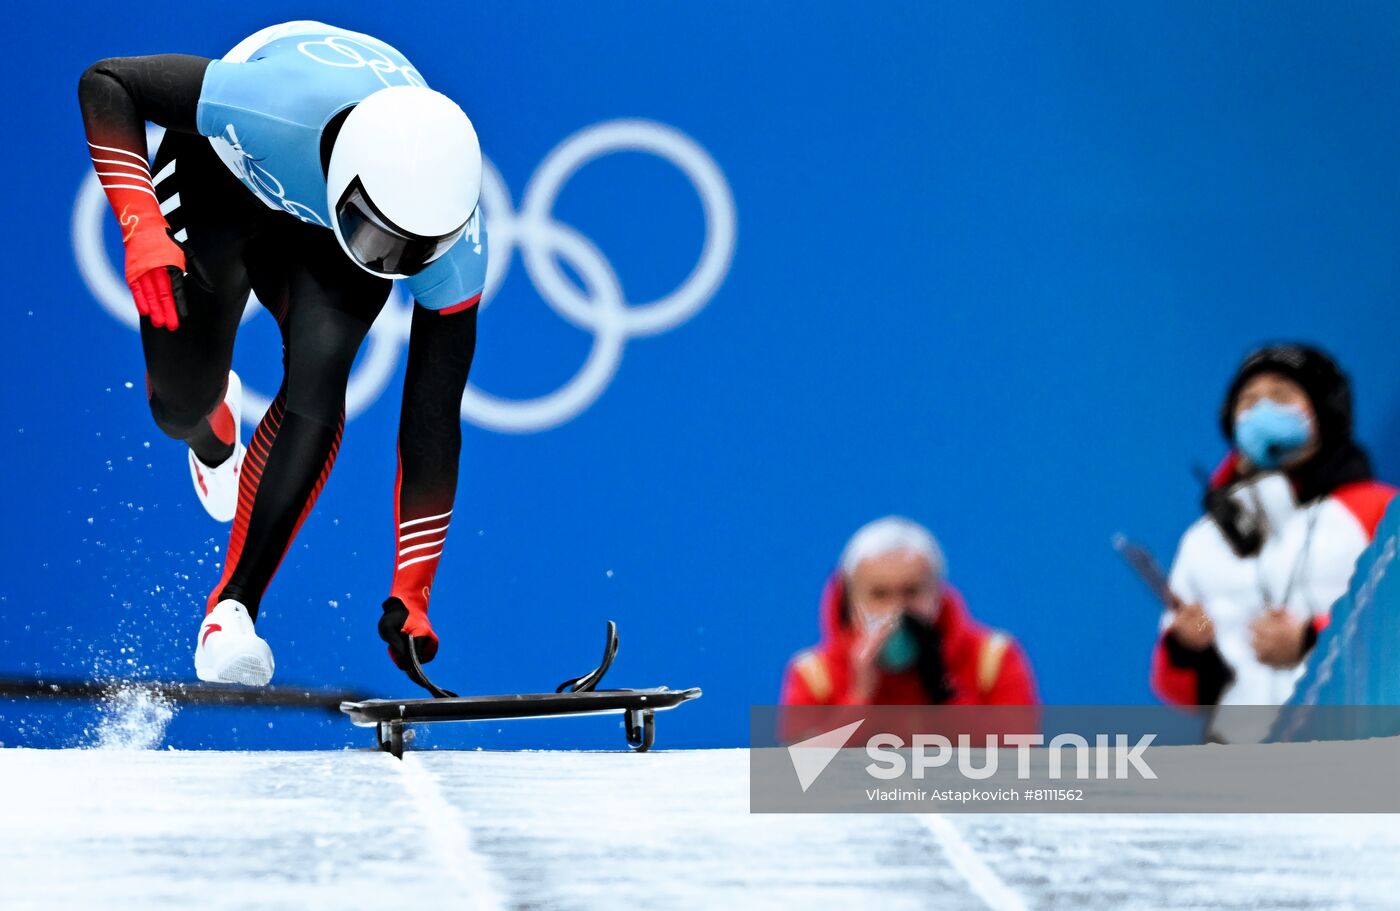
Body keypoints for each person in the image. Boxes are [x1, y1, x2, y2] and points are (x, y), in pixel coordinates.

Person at [77, 21, 488, 687]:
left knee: (320, 383)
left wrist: (412, 590)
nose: (395, 263)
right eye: (380, 240)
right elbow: (107, 81)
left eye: (408, 253)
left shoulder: (454, 243)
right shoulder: (268, 103)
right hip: (226, 169)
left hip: (333, 222)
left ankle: (230, 610)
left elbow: (433, 422)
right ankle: (211, 435)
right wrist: (141, 224)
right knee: (178, 401)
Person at [1151, 344, 1395, 741]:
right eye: (1247, 401)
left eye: (1281, 396)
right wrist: (1187, 647)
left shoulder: (1379, 511)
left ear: (1326, 412)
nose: (1261, 410)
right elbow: (1180, 693)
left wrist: (1312, 640)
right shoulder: (1203, 540)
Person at [781, 517, 1038, 708]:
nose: (897, 609)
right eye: (879, 594)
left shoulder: (992, 660)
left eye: (912, 591)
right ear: (849, 599)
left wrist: (942, 690)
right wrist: (859, 696)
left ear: (938, 592)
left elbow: (1012, 768)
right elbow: (803, 775)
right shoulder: (814, 675)